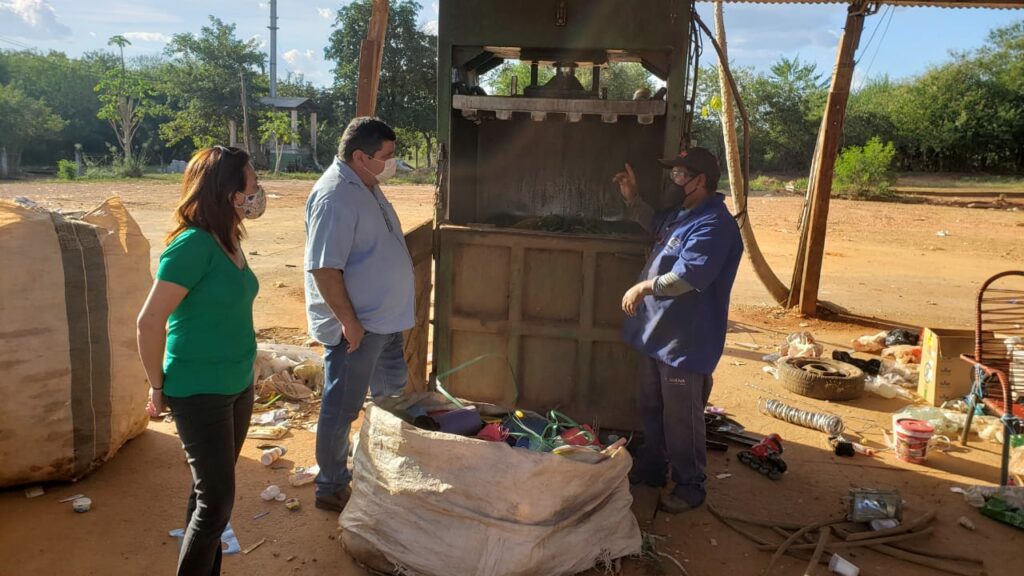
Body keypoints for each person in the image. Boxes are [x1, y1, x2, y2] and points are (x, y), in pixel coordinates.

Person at [137, 145, 265, 575]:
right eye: (251, 183)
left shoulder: (227, 238)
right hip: (200, 390)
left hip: (237, 385)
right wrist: (157, 386)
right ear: (229, 192)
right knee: (216, 505)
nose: (258, 191)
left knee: (207, 493)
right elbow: (149, 322)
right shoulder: (192, 246)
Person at [612, 147, 743, 513]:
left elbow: (689, 276)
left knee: (681, 418)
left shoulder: (715, 224)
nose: (674, 180)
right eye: (673, 173)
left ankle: (690, 486)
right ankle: (654, 467)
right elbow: (657, 226)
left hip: (685, 340)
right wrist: (632, 198)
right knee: (652, 406)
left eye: (680, 174)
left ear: (700, 181)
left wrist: (644, 287)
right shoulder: (684, 215)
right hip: (657, 334)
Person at [304, 117, 415, 513]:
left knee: (391, 395)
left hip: (385, 323)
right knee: (342, 406)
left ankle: (377, 465)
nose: (392, 163)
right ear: (360, 157)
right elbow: (324, 268)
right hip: (359, 327)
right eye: (386, 157)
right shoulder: (335, 196)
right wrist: (350, 322)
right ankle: (331, 484)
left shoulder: (366, 185)